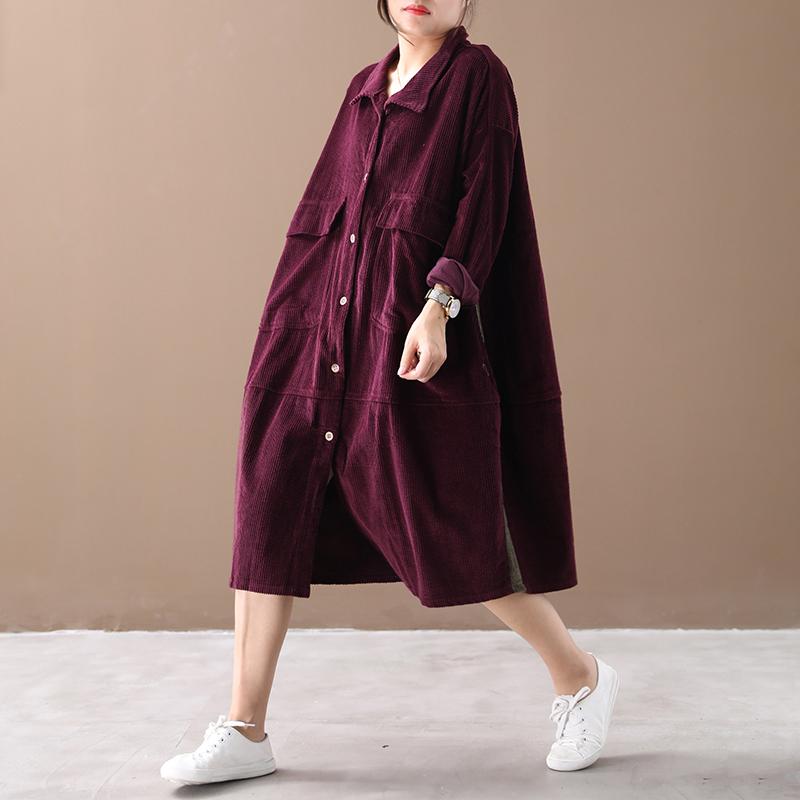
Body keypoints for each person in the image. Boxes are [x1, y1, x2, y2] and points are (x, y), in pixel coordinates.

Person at [160, 0, 619, 786]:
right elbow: (331, 220)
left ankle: (581, 677)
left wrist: (440, 307)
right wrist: (291, 327)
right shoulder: (363, 88)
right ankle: (244, 727)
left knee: (450, 526)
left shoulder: (478, 78)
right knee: (269, 510)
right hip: (316, 330)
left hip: (405, 331)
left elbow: (486, 204)